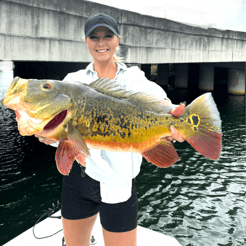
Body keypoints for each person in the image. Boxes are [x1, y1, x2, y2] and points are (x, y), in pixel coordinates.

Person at [35, 13, 184, 246]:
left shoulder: (133, 78)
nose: (100, 42)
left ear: (118, 39)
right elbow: (66, 133)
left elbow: (155, 98)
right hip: (79, 180)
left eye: (107, 36)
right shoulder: (72, 81)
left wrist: (175, 117)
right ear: (86, 41)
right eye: (94, 36)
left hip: (119, 183)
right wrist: (49, 136)